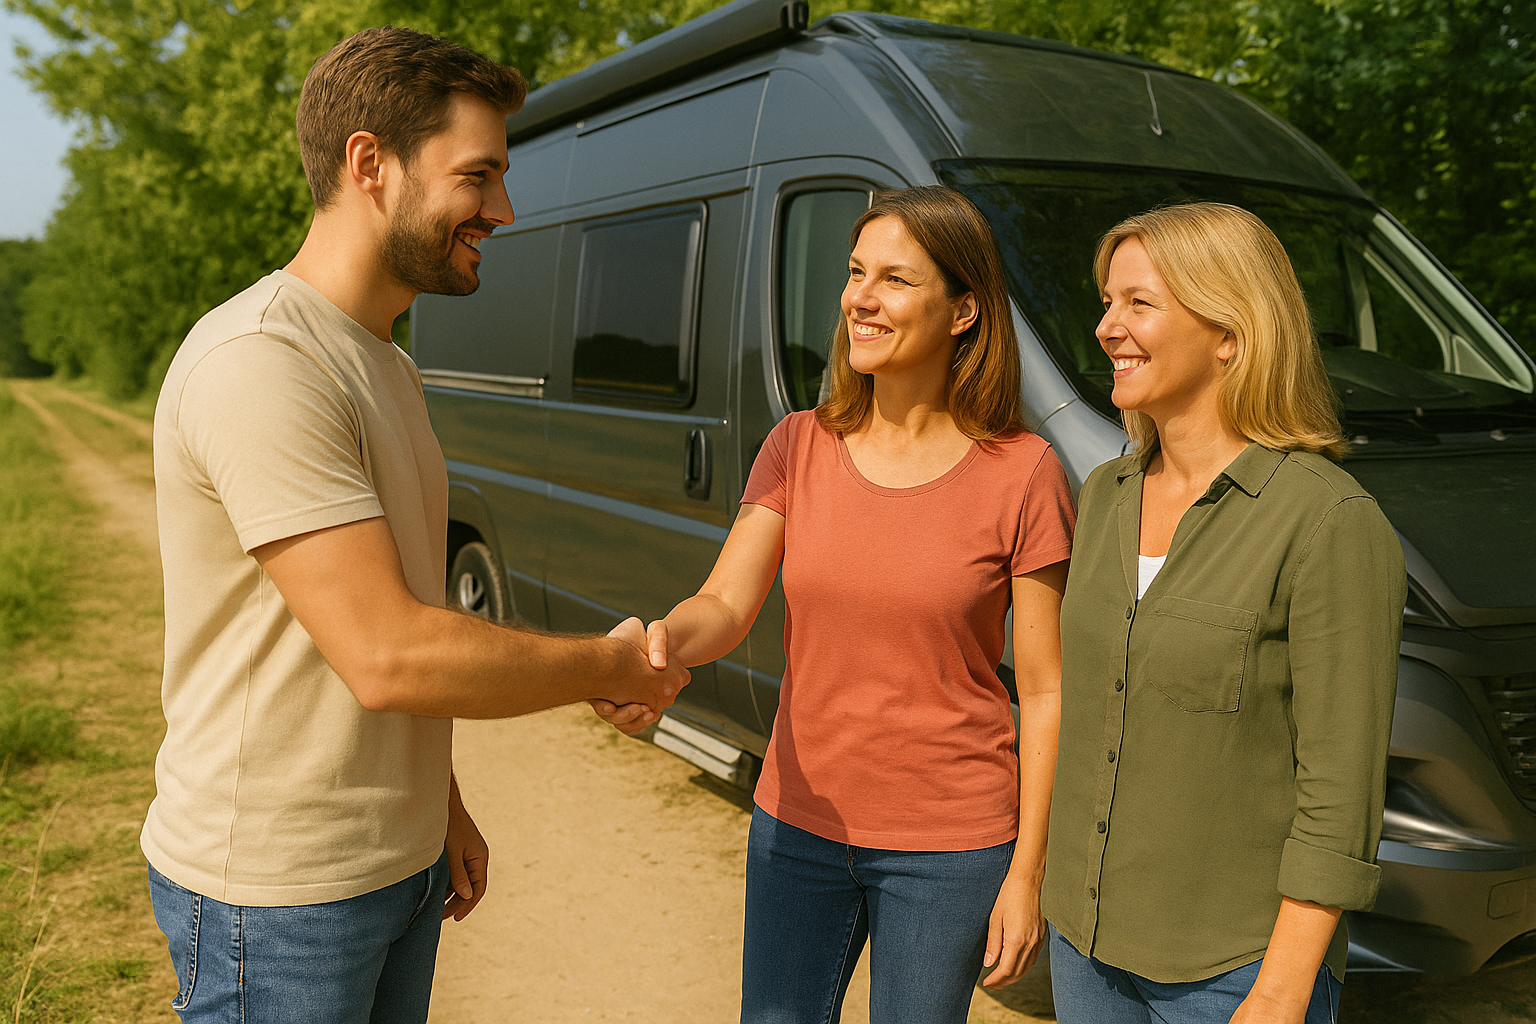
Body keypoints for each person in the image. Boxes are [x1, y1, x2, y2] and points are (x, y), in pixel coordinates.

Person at [143, 27, 687, 1023]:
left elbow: (399, 614)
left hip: (388, 863)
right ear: (370, 165)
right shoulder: (262, 363)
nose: (503, 210)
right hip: (277, 890)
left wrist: (434, 803)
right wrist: (607, 666)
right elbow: (388, 653)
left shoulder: (384, 361)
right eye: (477, 175)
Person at [595, 185, 1076, 1023]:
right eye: (857, 273)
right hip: (798, 824)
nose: (861, 297)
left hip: (952, 843)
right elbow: (725, 603)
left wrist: (1028, 870)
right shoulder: (798, 444)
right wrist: (663, 643)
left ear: (965, 311)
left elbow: (1043, 689)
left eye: (894, 279)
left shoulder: (1024, 472)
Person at [1042, 202, 1405, 1024]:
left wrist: (1281, 993)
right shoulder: (1105, 494)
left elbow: (1340, 796)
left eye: (1138, 302)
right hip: (1085, 946)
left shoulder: (1327, 521)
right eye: (1107, 301)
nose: (1106, 327)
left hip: (1234, 974)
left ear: (1230, 334)